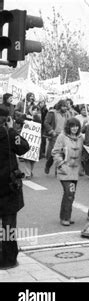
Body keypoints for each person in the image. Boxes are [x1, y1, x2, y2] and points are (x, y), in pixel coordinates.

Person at [0, 107, 30, 269]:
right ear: (6, 119)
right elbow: (24, 147)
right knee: (8, 225)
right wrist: (12, 130)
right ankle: (9, 259)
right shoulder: (9, 134)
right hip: (8, 187)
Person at [52, 118, 84, 226]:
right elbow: (56, 152)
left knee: (71, 194)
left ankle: (66, 216)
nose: (74, 128)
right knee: (69, 193)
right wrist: (61, 164)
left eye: (76, 126)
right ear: (68, 127)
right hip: (65, 170)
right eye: (72, 126)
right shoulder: (62, 137)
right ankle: (65, 218)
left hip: (75, 171)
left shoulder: (81, 137)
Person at [43, 100, 73, 175]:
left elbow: (70, 123)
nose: (65, 108)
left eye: (66, 106)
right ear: (60, 106)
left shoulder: (67, 114)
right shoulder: (52, 113)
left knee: (62, 153)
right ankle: (48, 165)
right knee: (53, 154)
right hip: (54, 136)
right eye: (64, 106)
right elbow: (46, 123)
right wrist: (51, 131)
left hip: (64, 136)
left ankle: (58, 171)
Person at [18, 105, 42, 180]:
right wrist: (24, 120)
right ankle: (28, 174)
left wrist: (33, 118)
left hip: (34, 141)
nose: (35, 111)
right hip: (26, 139)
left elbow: (39, 125)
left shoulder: (37, 117)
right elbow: (18, 120)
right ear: (30, 109)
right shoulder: (25, 115)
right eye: (33, 109)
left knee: (32, 159)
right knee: (27, 157)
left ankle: (30, 171)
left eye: (36, 110)